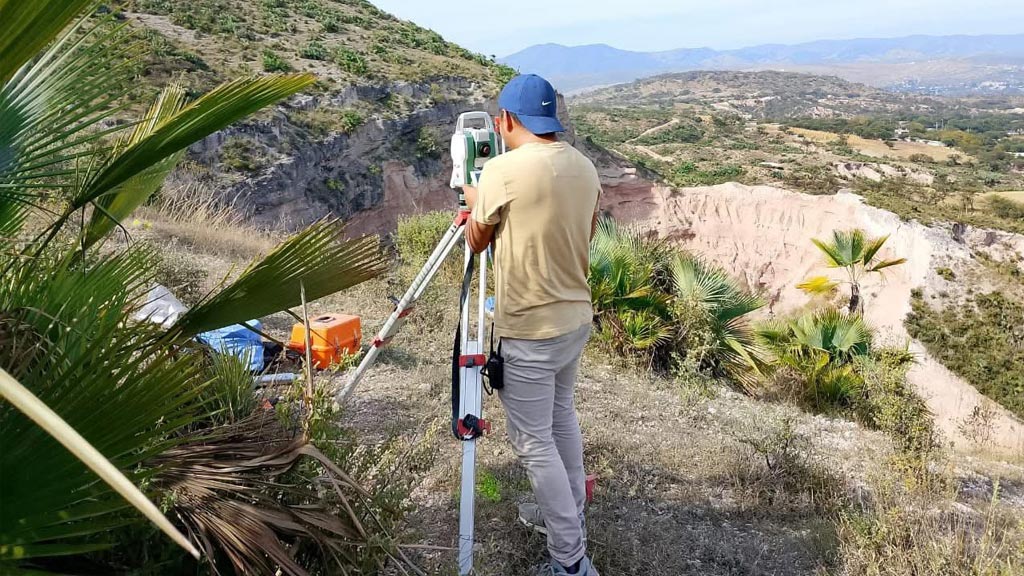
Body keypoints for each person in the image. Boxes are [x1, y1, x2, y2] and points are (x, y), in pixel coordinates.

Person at [462, 74, 602, 576]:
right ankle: (569, 514)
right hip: (574, 318)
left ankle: (570, 560)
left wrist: (473, 196)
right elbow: (583, 232)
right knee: (560, 417)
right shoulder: (584, 166)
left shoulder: (502, 170)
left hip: (530, 330)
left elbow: (477, 240)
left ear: (505, 120)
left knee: (533, 443)